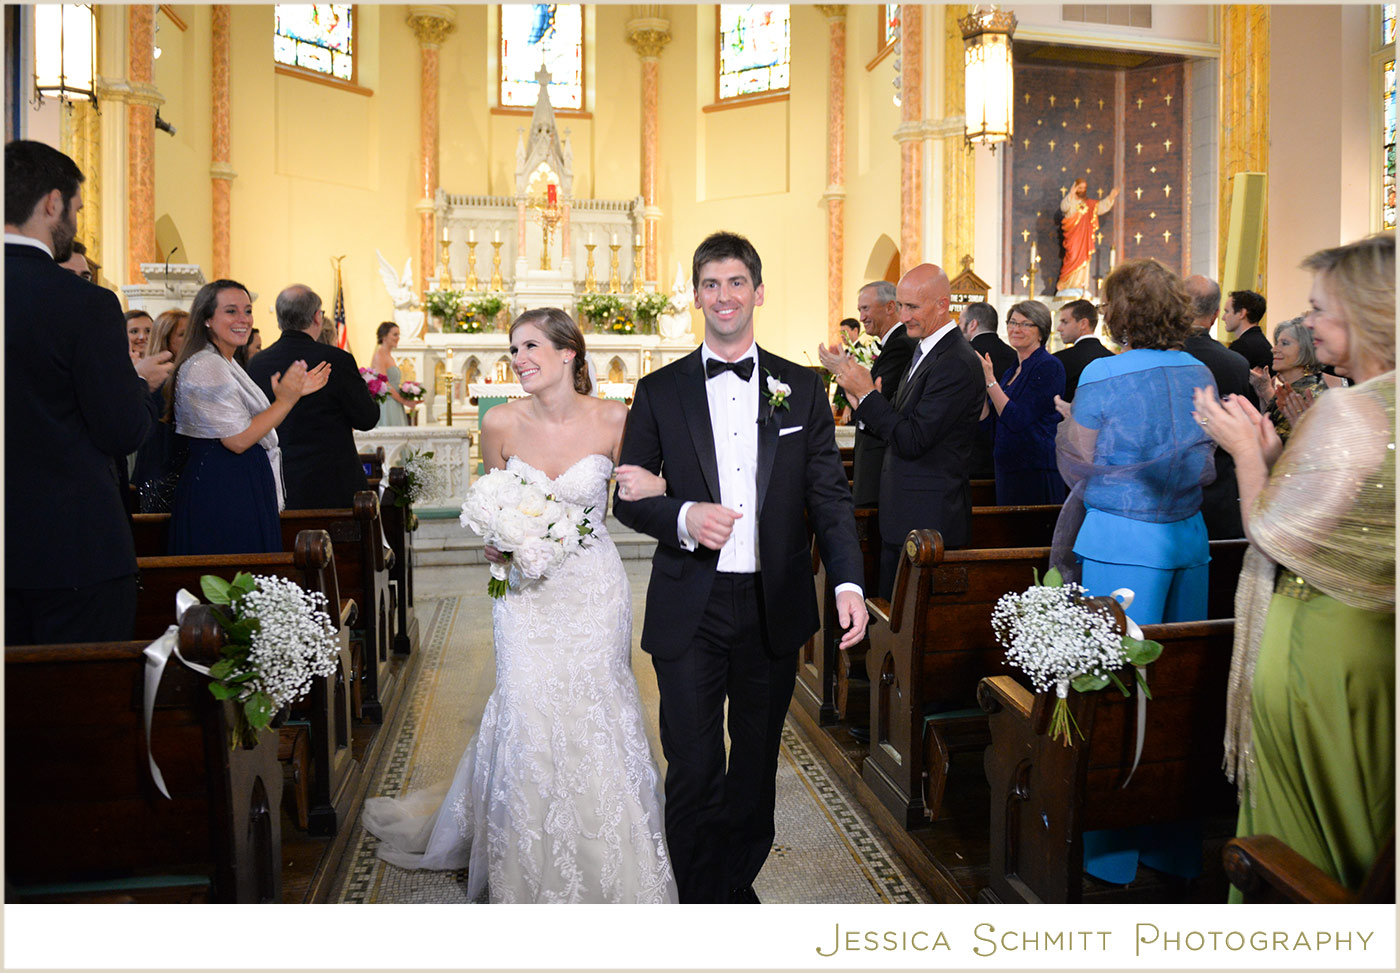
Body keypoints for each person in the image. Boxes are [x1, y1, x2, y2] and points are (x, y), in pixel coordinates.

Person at [363, 307, 678, 904]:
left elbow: (642, 495)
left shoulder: (616, 418)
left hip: (592, 588)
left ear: (569, 352)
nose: (519, 359)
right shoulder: (500, 422)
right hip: (524, 594)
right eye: (513, 350)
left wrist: (661, 487)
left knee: (596, 703)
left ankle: (612, 849)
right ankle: (524, 857)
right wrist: (496, 540)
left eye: (531, 346)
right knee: (527, 705)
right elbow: (494, 503)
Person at [616, 231, 867, 903]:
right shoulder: (659, 390)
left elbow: (829, 496)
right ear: (696, 296)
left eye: (735, 283)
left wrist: (848, 580)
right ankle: (703, 903)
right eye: (711, 284)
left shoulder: (801, 387)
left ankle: (731, 884)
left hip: (771, 605)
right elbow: (628, 495)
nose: (723, 296)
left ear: (758, 293)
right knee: (695, 766)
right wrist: (683, 516)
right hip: (690, 606)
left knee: (754, 768)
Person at [1193, 232, 1394, 900]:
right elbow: (1346, 515)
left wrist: (1243, 451)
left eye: (1319, 309)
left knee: (1298, 827)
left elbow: (1273, 532)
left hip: (1317, 643)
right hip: (1375, 642)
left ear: (1368, 314)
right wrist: (1280, 457)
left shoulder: (1351, 409)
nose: (1309, 322)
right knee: (1360, 809)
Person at [1053, 258, 1216, 887]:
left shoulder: (1102, 372)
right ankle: (1172, 847)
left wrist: (1068, 421)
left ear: (1118, 313)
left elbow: (1084, 455)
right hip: (1188, 537)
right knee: (1177, 692)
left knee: (1116, 691)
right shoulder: (1199, 369)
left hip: (1122, 541)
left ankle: (1110, 853)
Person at [5, 140, 172, 644]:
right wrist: (141, 386)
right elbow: (120, 430)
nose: (74, 224)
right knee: (75, 692)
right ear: (52, 203)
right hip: (71, 550)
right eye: (76, 210)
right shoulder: (85, 304)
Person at [821, 262, 984, 600]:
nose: (904, 315)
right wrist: (861, 397)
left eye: (912, 307)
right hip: (907, 517)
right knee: (891, 618)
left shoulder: (954, 361)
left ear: (942, 304)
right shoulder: (926, 350)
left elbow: (913, 439)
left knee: (909, 622)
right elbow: (897, 421)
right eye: (901, 305)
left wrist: (867, 395)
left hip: (929, 522)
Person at [168, 280, 329, 554]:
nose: (243, 319)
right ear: (207, 318)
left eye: (248, 310)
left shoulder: (225, 361)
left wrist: (290, 397)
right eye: (231, 311)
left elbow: (250, 428)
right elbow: (238, 440)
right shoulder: (206, 365)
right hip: (223, 489)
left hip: (238, 483)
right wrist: (286, 400)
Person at [246, 286, 379, 510]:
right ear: (318, 317)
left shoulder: (257, 364)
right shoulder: (337, 360)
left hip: (278, 485)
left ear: (279, 320)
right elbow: (367, 419)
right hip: (334, 486)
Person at [1182, 274, 1256, 540]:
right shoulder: (1236, 363)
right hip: (1219, 493)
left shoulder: (1160, 359)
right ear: (1214, 315)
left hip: (1168, 495)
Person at [980, 300, 1067, 505]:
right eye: (1012, 322)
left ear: (1041, 332)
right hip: (1008, 468)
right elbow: (993, 420)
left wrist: (990, 380)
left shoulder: (1048, 366)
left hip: (1035, 471)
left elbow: (1017, 418)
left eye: (1025, 324)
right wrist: (980, 385)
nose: (1015, 329)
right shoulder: (1012, 370)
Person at [849, 280, 915, 513]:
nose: (861, 317)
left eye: (866, 308)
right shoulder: (895, 344)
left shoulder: (900, 346)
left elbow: (880, 404)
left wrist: (851, 380)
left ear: (890, 307)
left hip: (879, 464)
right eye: (860, 310)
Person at [1248, 316, 1326, 442]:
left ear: (1305, 349)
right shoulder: (1294, 388)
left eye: (1284, 344)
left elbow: (1279, 445)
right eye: (1277, 344)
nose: (1274, 350)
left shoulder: (1306, 394)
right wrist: (1264, 392)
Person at [960, 301, 1015, 480]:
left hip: (970, 451)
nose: (959, 327)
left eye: (961, 322)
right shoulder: (1014, 355)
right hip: (1005, 448)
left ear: (972, 324)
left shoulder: (963, 354)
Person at [1056, 178, 1118, 297]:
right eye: (1080, 188)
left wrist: (1111, 197)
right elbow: (1064, 207)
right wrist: (1071, 194)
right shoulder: (1071, 201)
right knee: (1072, 257)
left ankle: (1080, 285)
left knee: (1084, 260)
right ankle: (1066, 285)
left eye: (1084, 188)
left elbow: (1101, 207)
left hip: (1085, 238)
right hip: (1073, 237)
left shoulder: (1090, 204)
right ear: (1075, 188)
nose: (1082, 190)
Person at [1053, 298, 1114, 401]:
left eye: (1065, 322)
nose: (1059, 328)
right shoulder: (1111, 358)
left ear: (1083, 324)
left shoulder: (1059, 360)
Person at [369, 321, 414, 427]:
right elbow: (384, 384)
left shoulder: (389, 356)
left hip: (395, 402)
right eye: (395, 334)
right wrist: (404, 401)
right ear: (384, 336)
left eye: (398, 335)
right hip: (387, 404)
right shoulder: (379, 355)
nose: (398, 338)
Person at [1224, 289, 1272, 371]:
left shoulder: (1241, 347)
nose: (1223, 317)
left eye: (1227, 311)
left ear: (1242, 313)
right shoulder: (1265, 344)